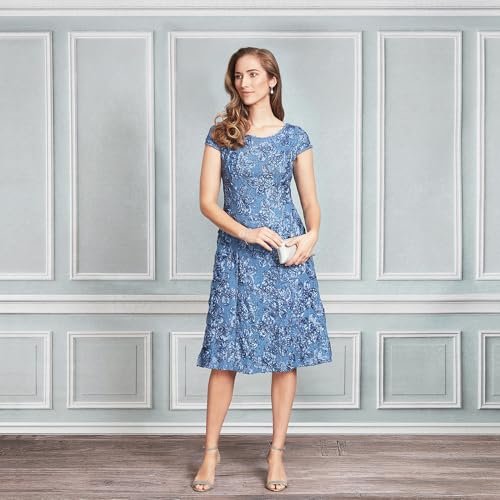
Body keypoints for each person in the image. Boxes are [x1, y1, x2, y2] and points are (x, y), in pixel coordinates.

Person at [192, 46, 333, 493]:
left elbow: (310, 202)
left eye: (253, 74)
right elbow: (207, 203)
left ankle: (276, 454)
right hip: (237, 256)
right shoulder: (221, 135)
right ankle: (210, 453)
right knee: (224, 358)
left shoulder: (295, 137)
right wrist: (247, 233)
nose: (245, 82)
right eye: (239, 75)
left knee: (285, 358)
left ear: (272, 80)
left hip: (285, 257)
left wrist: (311, 236)